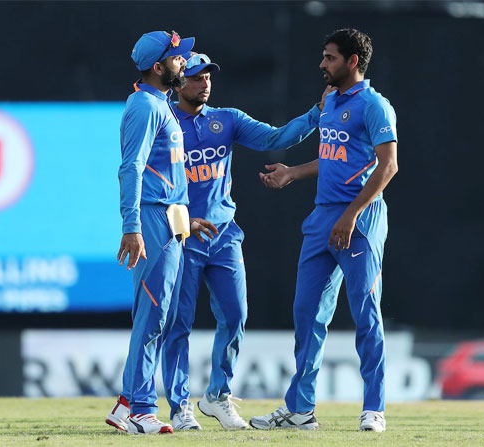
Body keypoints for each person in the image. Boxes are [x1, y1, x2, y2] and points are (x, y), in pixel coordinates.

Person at [159, 51, 333, 430]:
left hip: (223, 236)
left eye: (208, 77)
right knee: (178, 324)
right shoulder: (163, 120)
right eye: (195, 77)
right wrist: (181, 220)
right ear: (178, 81)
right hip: (181, 235)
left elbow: (276, 137)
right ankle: (179, 406)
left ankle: (217, 396)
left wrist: (316, 115)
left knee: (236, 316)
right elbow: (149, 182)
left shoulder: (227, 119)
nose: (204, 83)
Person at [250, 28, 398, 432]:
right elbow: (333, 157)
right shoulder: (330, 101)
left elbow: (388, 166)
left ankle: (374, 408)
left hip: (359, 221)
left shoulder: (375, 106)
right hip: (321, 220)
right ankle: (300, 410)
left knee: (366, 313)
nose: (322, 64)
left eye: (329, 57)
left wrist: (350, 215)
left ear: (352, 62)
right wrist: (292, 173)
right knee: (306, 314)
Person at [105, 31, 217, 435]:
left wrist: (187, 217)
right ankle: (140, 409)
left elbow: (163, 175)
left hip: (169, 219)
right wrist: (132, 225)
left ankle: (125, 404)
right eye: (178, 58)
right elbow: (131, 168)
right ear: (158, 66)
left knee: (157, 316)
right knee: (153, 315)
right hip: (151, 220)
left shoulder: (158, 103)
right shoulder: (144, 105)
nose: (184, 63)